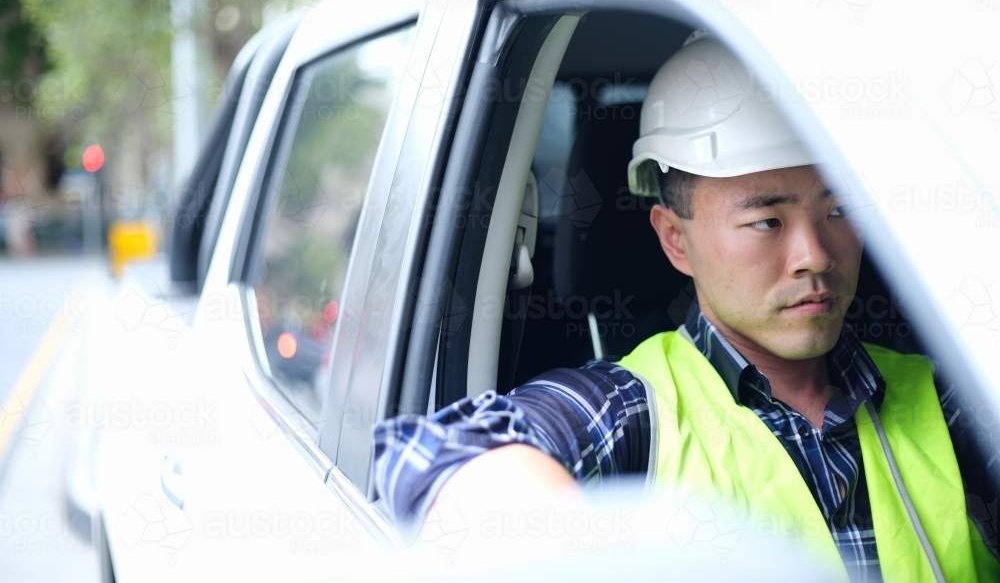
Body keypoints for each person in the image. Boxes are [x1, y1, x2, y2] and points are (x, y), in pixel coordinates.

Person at [373, 33, 999, 582]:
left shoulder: (944, 396)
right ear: (676, 239)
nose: (816, 255)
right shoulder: (632, 408)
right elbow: (436, 453)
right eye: (766, 221)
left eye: (838, 211)